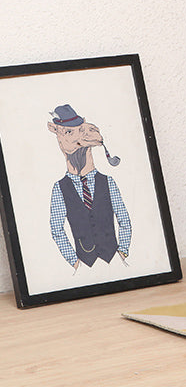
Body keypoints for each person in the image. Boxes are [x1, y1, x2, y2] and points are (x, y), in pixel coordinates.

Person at [47, 104, 131, 269]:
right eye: (69, 131)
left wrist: (123, 250)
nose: (86, 131)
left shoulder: (108, 182)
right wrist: (74, 261)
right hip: (84, 266)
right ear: (56, 132)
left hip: (115, 260)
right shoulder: (60, 189)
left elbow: (124, 219)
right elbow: (56, 229)